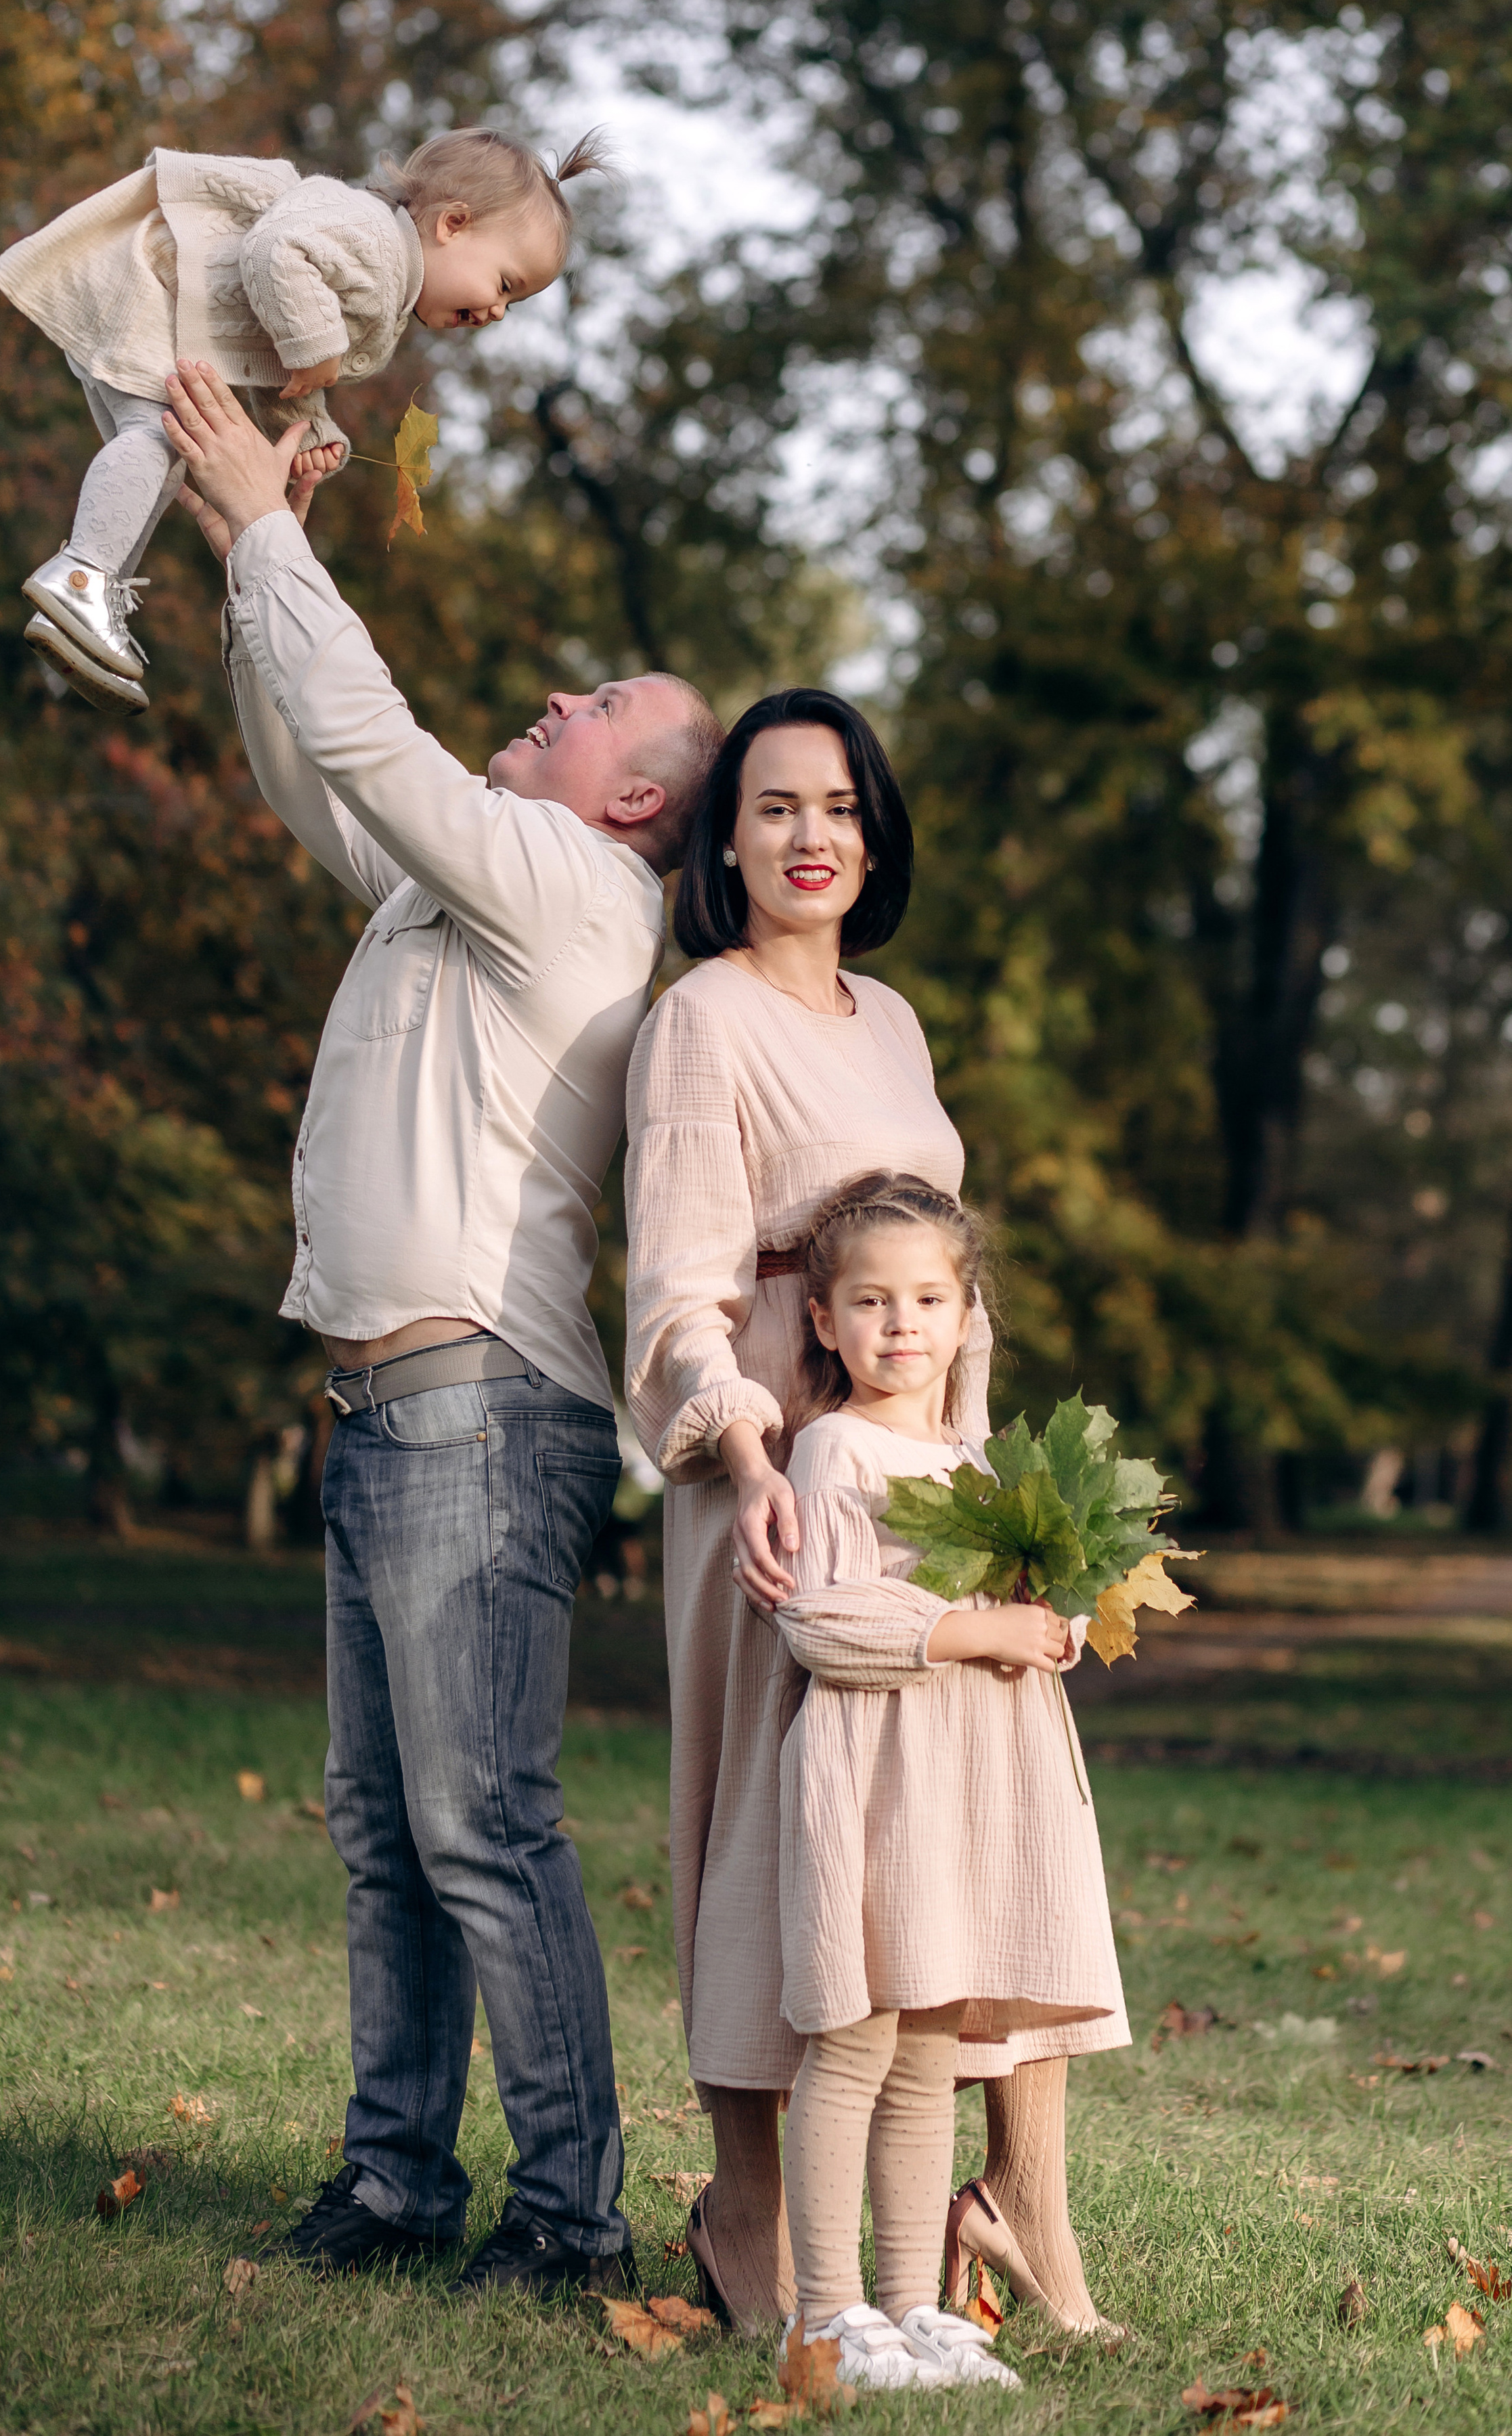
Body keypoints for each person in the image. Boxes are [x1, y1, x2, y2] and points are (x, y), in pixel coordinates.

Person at [162, 355, 724, 2297]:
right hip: (394, 1413)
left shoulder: (576, 892)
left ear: (635, 802)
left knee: (482, 1826)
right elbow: (311, 756)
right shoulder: (461, 890)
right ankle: (396, 2190)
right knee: (389, 1843)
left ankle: (569, 2219)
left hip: (486, 1415)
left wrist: (254, 527)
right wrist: (271, 560)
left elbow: (376, 738)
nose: (555, 701)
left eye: (596, 713)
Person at [623, 689, 1115, 2338]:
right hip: (780, 1473)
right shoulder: (699, 1017)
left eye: (835, 804)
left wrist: (991, 1492)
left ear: (872, 830)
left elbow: (938, 1261)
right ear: (724, 839)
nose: (807, 834)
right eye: (770, 806)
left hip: (920, 1467)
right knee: (789, 1840)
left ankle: (992, 2208)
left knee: (945, 1829)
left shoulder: (891, 1019)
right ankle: (755, 2215)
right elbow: (683, 1280)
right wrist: (753, 1457)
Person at [772, 1174, 1128, 2387]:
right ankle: (824, 2313)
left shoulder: (988, 1460)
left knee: (930, 2054)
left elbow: (1022, 1601)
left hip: (963, 1800)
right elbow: (821, 1622)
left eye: (928, 1297)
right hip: (875, 1786)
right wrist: (976, 1637)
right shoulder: (832, 1448)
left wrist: (1057, 1622)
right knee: (855, 2044)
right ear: (824, 1321)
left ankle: (910, 2307)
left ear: (967, 1315)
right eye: (870, 1301)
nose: (901, 1323)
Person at [0, 127, 602, 711]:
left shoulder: (387, 287)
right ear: (453, 224)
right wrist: (317, 345)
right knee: (158, 436)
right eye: (504, 284)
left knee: (169, 456)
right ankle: (84, 576)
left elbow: (276, 354)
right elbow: (276, 250)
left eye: (514, 303)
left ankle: (84, 603)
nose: (498, 312)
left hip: (160, 301)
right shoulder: (373, 236)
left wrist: (312, 427)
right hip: (150, 281)